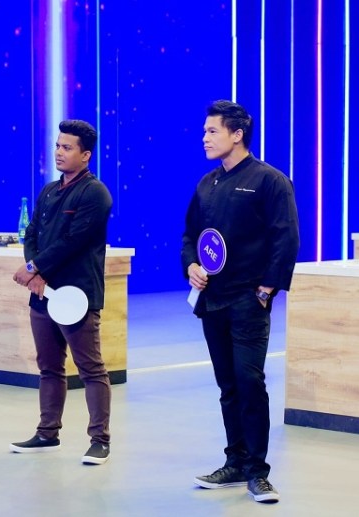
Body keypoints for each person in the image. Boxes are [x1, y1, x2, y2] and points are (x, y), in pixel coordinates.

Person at [182, 100, 299, 503]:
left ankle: (257, 472)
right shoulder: (207, 184)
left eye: (212, 131)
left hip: (249, 300)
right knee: (228, 384)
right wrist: (191, 266)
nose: (204, 138)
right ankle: (234, 462)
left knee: (250, 382)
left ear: (237, 134)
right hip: (212, 301)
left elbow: (286, 239)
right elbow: (190, 235)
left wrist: (266, 290)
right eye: (204, 131)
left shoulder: (270, 181)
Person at [10, 119, 113, 465]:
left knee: (90, 369)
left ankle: (99, 440)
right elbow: (32, 234)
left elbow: (73, 241)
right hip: (43, 296)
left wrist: (33, 269)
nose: (58, 152)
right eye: (57, 145)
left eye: (67, 147)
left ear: (86, 155)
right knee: (49, 367)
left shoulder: (95, 193)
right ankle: (47, 433)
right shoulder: (48, 191)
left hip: (77, 296)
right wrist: (34, 272)